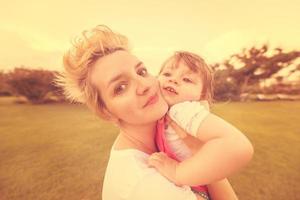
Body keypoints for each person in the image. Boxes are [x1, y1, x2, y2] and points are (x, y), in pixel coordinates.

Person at [57, 25, 241, 200]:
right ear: (106, 112)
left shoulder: (163, 135)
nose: (144, 85)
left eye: (142, 71)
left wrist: (199, 151)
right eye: (120, 87)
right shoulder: (144, 184)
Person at [148, 51, 254, 199]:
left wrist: (177, 172)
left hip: (196, 191)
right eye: (167, 74)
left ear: (201, 96)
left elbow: (237, 145)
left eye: (187, 79)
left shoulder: (183, 110)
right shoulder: (163, 111)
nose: (174, 80)